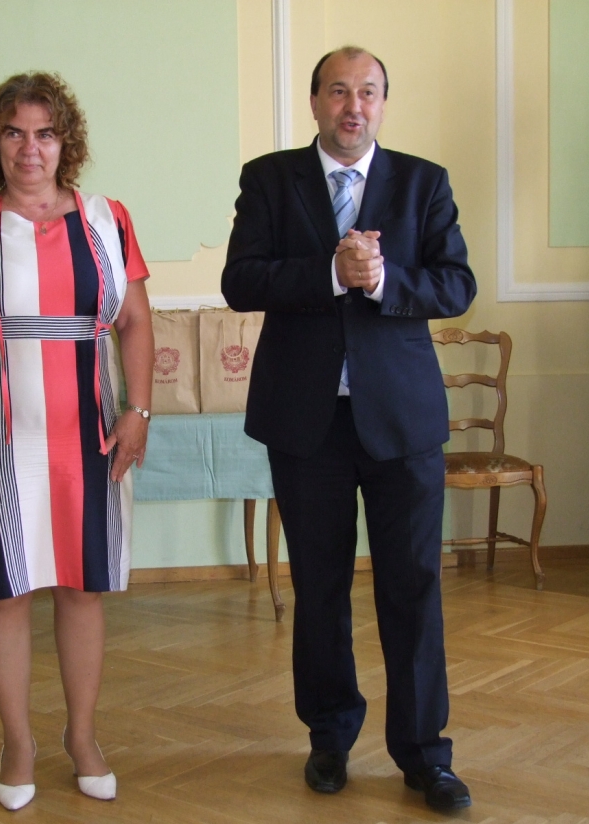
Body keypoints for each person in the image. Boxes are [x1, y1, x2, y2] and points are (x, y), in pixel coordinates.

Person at [221, 47, 477, 811]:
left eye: (368, 92)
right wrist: (332, 273)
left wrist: (384, 279)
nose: (353, 106)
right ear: (315, 101)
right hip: (307, 424)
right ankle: (329, 738)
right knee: (321, 587)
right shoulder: (270, 179)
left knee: (413, 587)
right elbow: (241, 280)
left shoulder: (424, 182)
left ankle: (425, 755)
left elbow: (457, 284)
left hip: (401, 423)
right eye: (339, 91)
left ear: (383, 104)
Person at [0, 72, 153, 812]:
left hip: (89, 431)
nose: (31, 148)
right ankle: (17, 743)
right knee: (5, 592)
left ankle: (82, 737)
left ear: (66, 142)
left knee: (83, 588)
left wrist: (138, 411)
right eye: (15, 133)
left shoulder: (109, 219)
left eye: (46, 133)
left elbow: (135, 322)